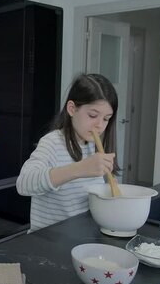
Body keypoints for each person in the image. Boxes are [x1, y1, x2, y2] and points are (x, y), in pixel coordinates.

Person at [16, 73, 119, 232]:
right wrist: (79, 169)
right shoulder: (52, 142)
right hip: (49, 242)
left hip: (81, 238)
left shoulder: (93, 146)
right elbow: (23, 184)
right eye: (93, 115)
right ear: (72, 109)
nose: (100, 125)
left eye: (106, 118)